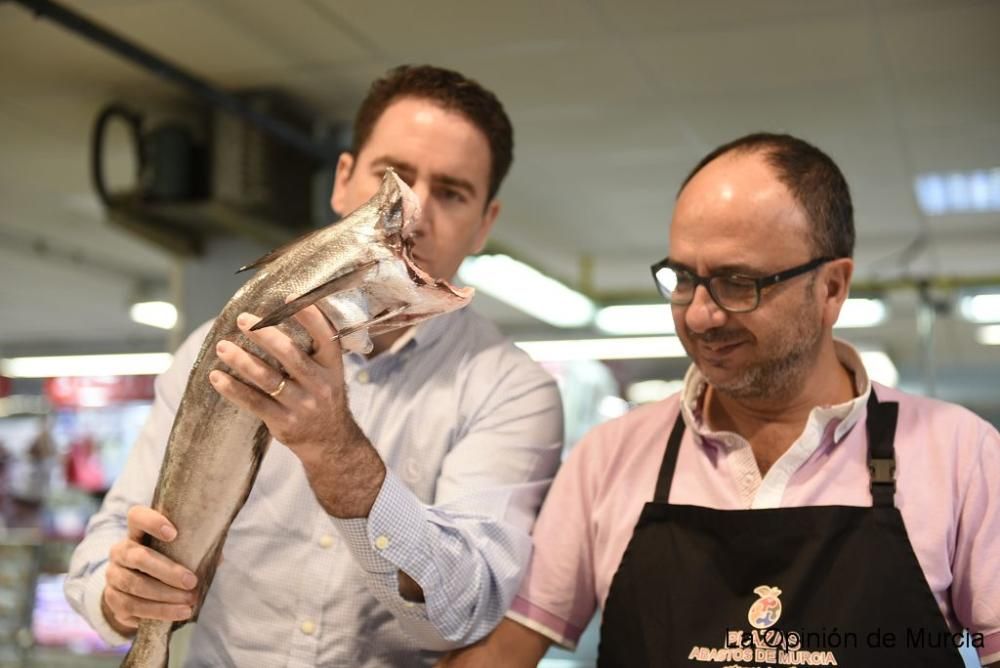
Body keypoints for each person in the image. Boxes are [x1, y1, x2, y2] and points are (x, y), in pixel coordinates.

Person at [65, 64, 564, 667]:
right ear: (344, 180)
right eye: (393, 179)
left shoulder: (512, 389)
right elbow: (110, 537)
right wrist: (120, 594)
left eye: (453, 193)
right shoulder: (221, 346)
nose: (417, 215)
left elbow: (462, 611)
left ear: (485, 223)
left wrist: (336, 450)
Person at [441, 133, 1000, 668]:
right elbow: (504, 652)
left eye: (738, 282)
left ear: (831, 288)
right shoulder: (610, 458)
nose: (701, 314)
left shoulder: (959, 454)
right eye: (684, 278)